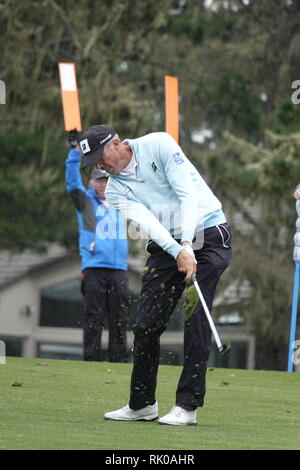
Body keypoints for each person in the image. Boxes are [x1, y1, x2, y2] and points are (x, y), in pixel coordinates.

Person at [79, 125, 232, 425]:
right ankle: (142, 403)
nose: (99, 165)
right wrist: (178, 251)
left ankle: (187, 406)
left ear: (115, 144)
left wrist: (188, 244)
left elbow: (186, 193)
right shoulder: (114, 189)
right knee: (145, 323)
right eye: (93, 162)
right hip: (168, 244)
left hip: (209, 231)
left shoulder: (159, 144)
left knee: (196, 318)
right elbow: (150, 224)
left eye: (100, 156)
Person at [65, 133, 129, 363]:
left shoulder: (121, 202)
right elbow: (72, 182)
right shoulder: (85, 202)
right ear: (92, 183)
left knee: (119, 317)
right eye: (99, 181)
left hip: (119, 268)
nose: (103, 185)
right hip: (94, 267)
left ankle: (119, 360)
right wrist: (74, 152)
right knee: (94, 315)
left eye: (106, 181)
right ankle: (91, 359)